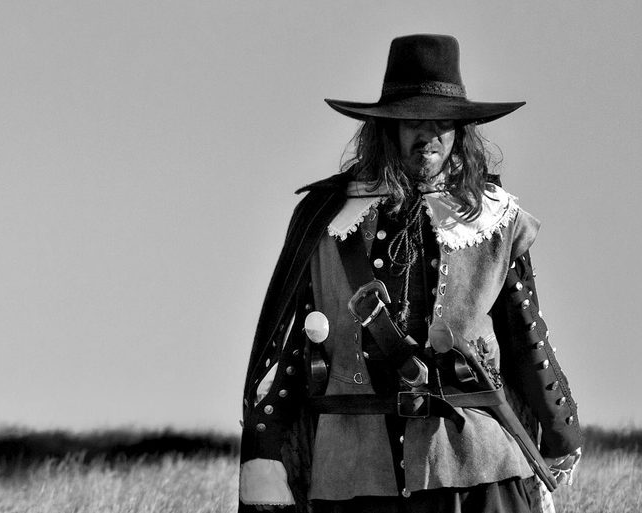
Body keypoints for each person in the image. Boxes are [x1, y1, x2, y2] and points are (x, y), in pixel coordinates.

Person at [236, 34, 584, 513]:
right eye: (413, 120)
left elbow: (526, 336)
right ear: (387, 129)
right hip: (356, 473)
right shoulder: (328, 219)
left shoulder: (494, 219)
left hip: (475, 468)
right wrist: (264, 444)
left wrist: (561, 431)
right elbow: (295, 345)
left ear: (462, 131)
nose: (430, 135)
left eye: (443, 122)